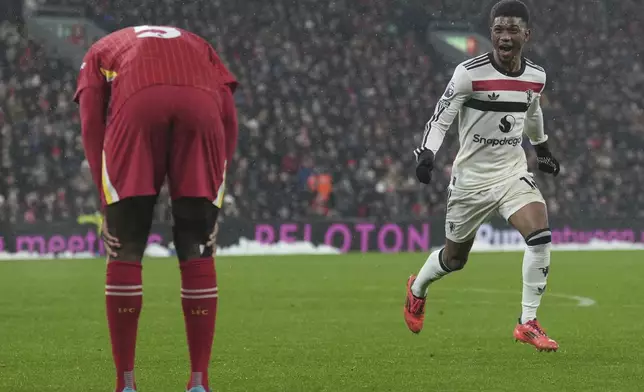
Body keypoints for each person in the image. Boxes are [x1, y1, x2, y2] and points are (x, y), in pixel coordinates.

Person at [74, 25, 239, 392]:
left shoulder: (100, 50)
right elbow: (228, 114)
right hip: (203, 106)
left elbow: (90, 121)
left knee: (126, 246)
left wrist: (107, 200)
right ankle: (199, 382)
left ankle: (126, 384)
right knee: (197, 246)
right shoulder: (200, 43)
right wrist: (213, 195)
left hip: (138, 102)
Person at [403, 0, 560, 352]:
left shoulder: (536, 77)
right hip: (471, 180)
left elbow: (533, 113)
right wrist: (427, 153)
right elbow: (441, 117)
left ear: (526, 34)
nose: (505, 36)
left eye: (512, 30)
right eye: (498, 29)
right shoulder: (468, 73)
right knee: (454, 260)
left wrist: (543, 149)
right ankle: (417, 290)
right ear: (492, 33)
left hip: (511, 171)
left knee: (540, 234)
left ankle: (527, 322)